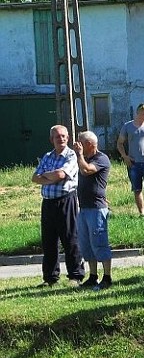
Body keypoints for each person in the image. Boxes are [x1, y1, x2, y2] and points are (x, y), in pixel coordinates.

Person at [32, 125, 85, 288]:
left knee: (70, 238)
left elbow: (62, 175)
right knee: (48, 241)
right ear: (51, 140)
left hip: (65, 200)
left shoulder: (71, 156)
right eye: (57, 137)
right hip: (47, 203)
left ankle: (75, 276)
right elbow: (35, 178)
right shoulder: (47, 156)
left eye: (63, 136)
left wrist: (48, 176)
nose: (61, 139)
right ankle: (50, 278)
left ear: (68, 138)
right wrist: (53, 176)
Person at [72, 131, 113, 291]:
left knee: (100, 243)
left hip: (97, 208)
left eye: (81, 142)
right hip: (83, 208)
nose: (78, 145)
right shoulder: (84, 158)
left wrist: (79, 155)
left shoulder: (101, 158)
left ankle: (107, 277)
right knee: (87, 245)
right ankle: (93, 276)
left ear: (89, 144)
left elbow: (87, 170)